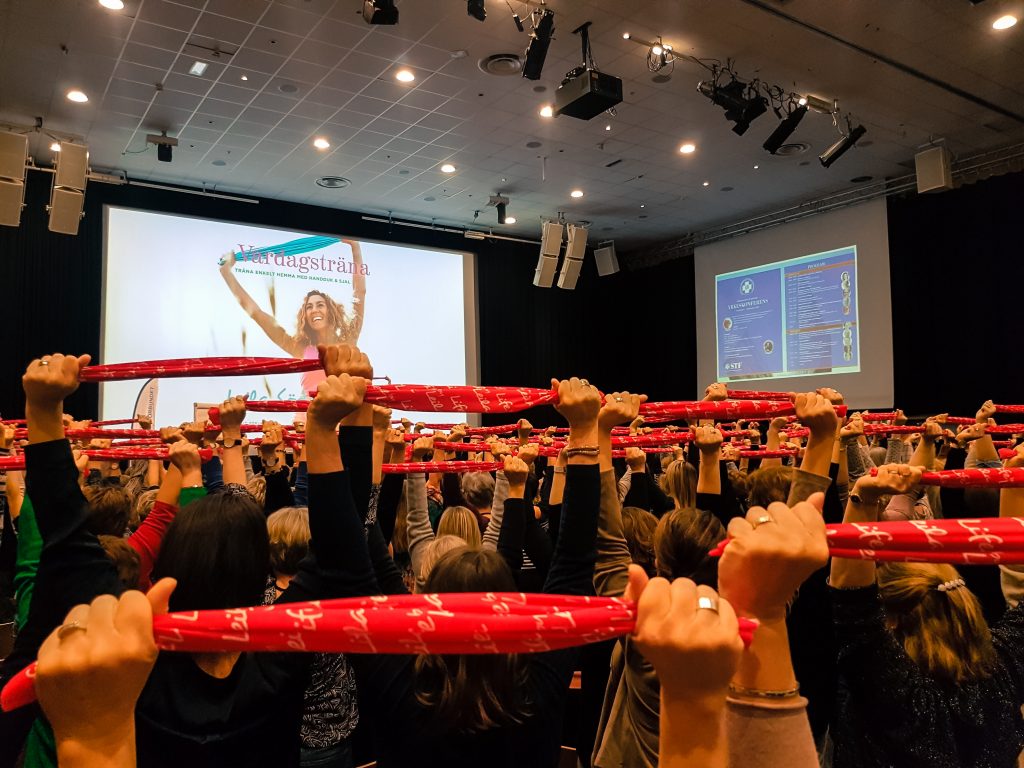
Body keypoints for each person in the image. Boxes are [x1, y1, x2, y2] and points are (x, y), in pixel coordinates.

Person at [829, 461, 1024, 767]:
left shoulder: (894, 692)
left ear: (890, 619)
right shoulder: (1003, 667)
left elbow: (852, 605)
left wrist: (862, 497)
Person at [218, 239, 366, 393]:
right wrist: (226, 273)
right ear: (305, 317)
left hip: (345, 413)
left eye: (320, 304)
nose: (314, 310)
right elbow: (256, 313)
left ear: (331, 312)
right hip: (309, 415)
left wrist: (355, 246)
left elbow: (359, 293)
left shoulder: (349, 339)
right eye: (309, 307)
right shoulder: (300, 348)